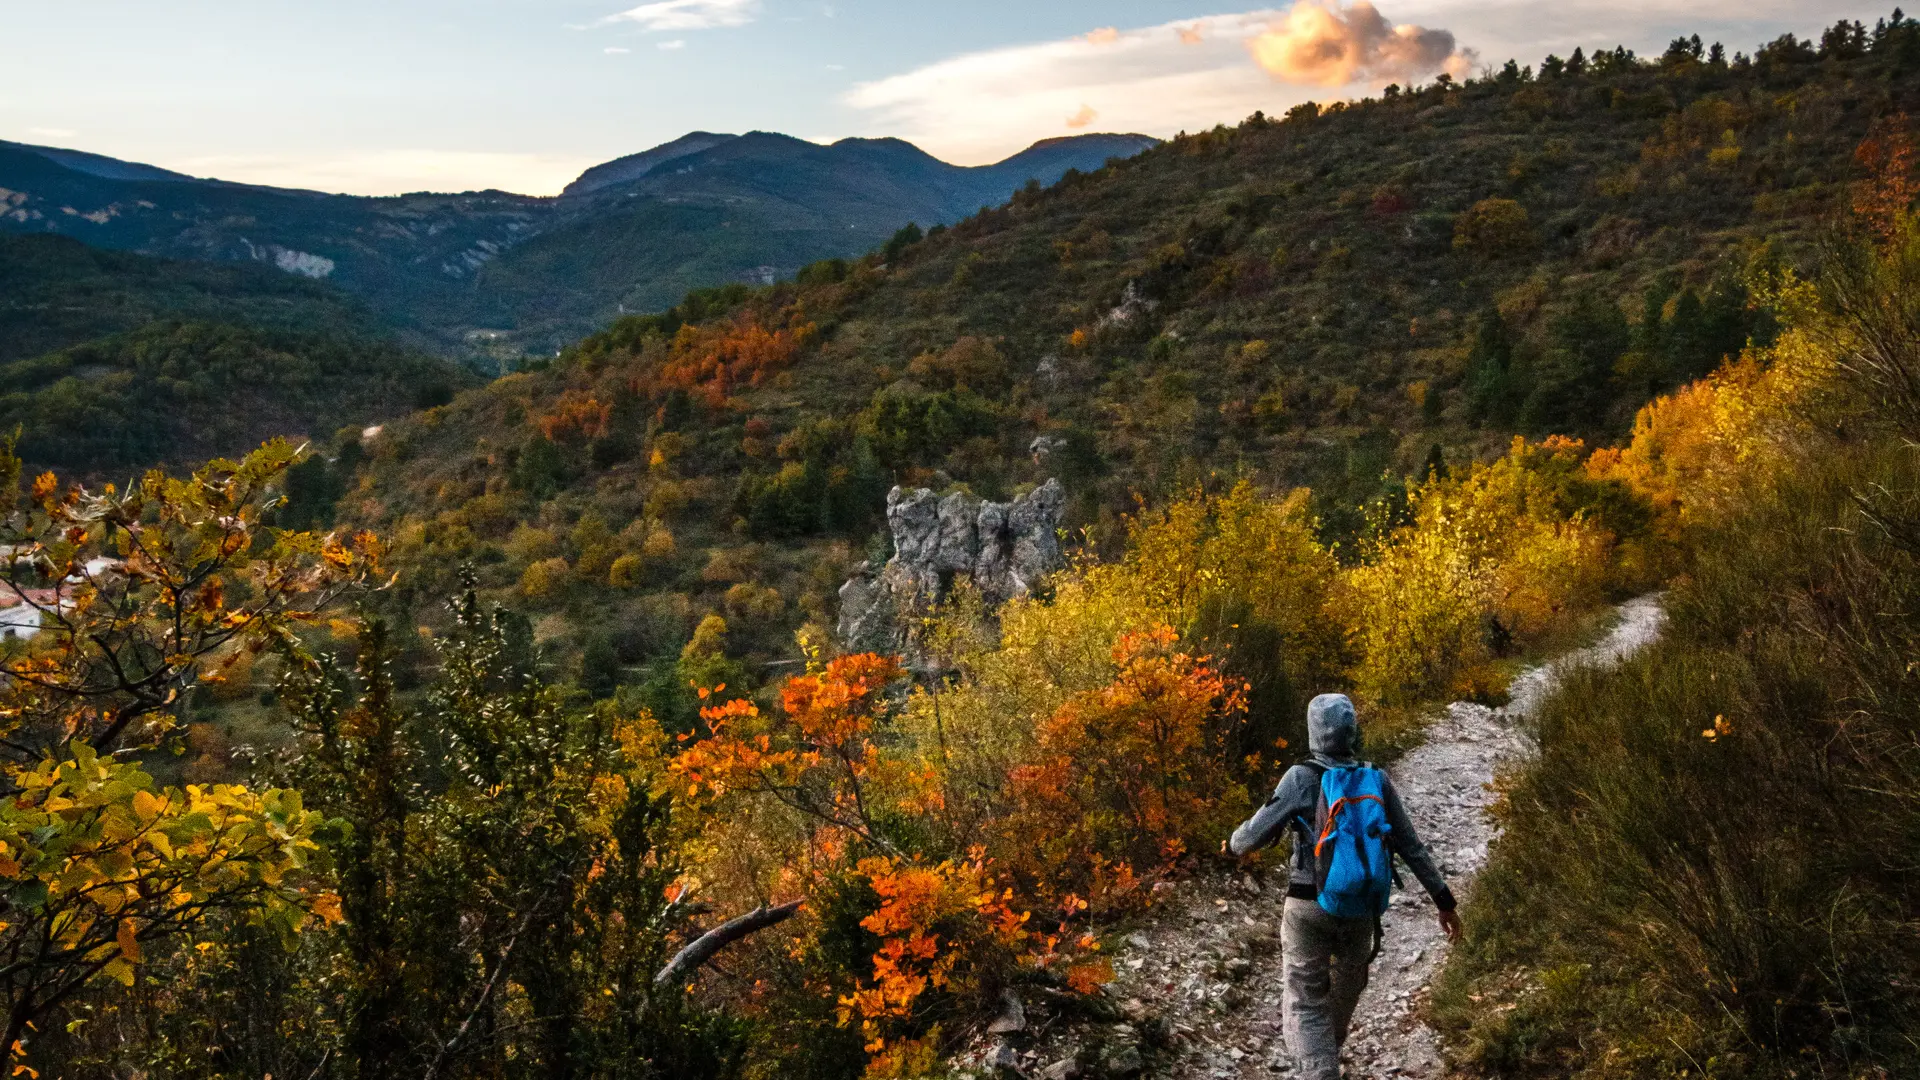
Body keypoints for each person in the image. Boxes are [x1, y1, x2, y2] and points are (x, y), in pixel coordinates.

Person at [1224, 693, 1462, 1080]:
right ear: (1352, 730)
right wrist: (1443, 900)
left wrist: (1232, 846)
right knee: (1347, 985)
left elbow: (1247, 838)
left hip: (1308, 906)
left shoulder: (1301, 777)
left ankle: (1318, 1070)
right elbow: (1411, 846)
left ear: (1313, 730)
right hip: (1361, 909)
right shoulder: (1375, 778)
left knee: (1304, 1000)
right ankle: (1322, 1061)